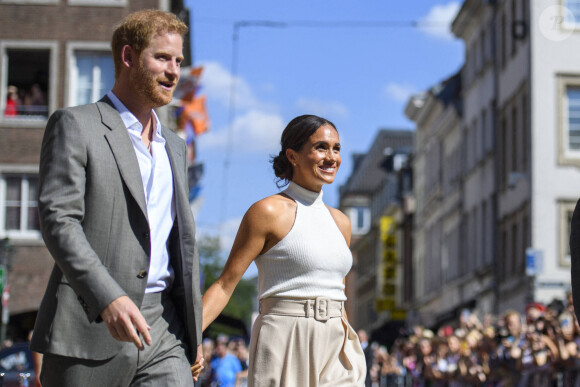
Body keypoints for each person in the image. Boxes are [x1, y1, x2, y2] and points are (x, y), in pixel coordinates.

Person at [30, 9, 203, 386]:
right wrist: (108, 297)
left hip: (164, 327)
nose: (173, 71)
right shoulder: (76, 124)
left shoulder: (174, 146)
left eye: (178, 61)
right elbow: (59, 221)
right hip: (90, 324)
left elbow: (183, 243)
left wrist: (194, 330)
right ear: (128, 57)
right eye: (161, 58)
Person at [201, 114, 366, 386]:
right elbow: (224, 285)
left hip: (338, 341)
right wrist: (192, 337)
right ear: (293, 155)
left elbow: (339, 291)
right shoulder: (267, 212)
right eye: (321, 147)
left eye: (336, 149)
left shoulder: (341, 223)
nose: (332, 157)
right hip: (284, 338)